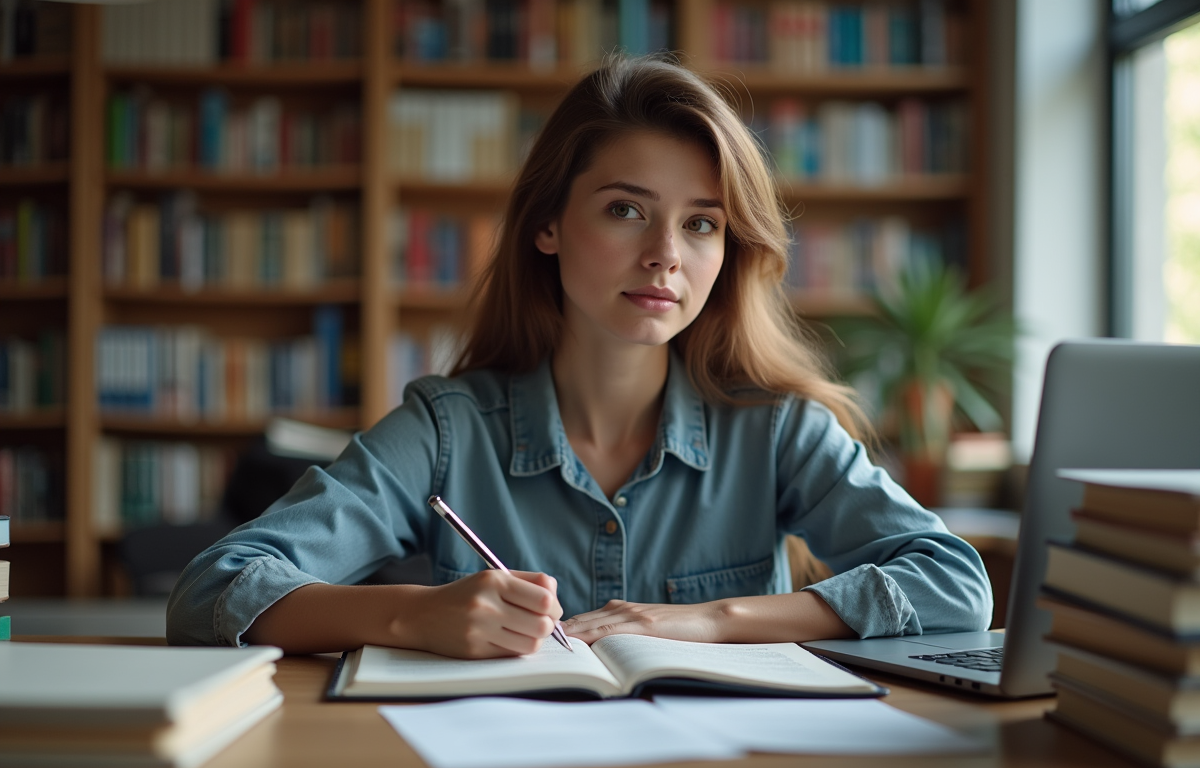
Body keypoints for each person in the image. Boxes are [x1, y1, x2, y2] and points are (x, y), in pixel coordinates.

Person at [166, 55, 992, 656]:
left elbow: (957, 586)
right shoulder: (448, 431)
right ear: (549, 226)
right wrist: (407, 615)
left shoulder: (777, 430)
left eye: (702, 222)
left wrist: (714, 620)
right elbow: (213, 587)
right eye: (627, 210)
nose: (667, 253)